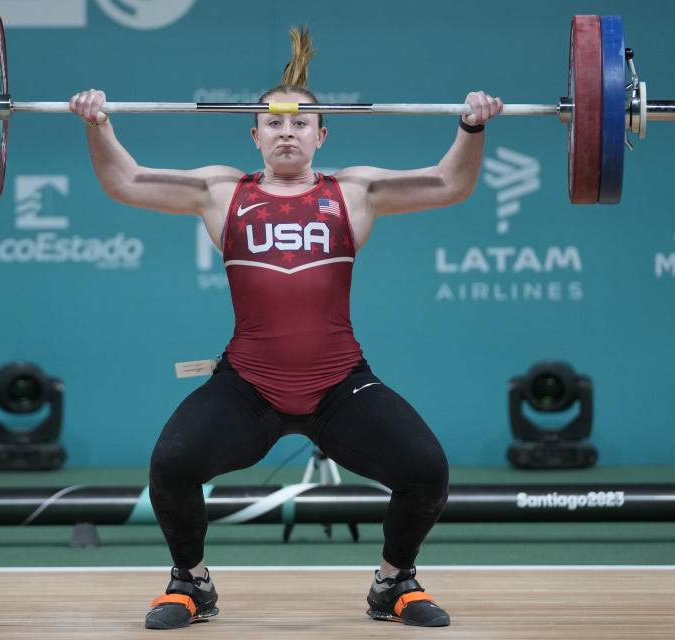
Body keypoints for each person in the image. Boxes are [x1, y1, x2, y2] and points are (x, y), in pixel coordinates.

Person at [70, 26, 502, 630]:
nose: (287, 131)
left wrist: (472, 126)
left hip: (337, 385)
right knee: (171, 463)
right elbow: (126, 181)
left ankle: (393, 582)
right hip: (250, 385)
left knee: (425, 468)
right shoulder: (223, 191)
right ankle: (190, 583)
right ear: (255, 134)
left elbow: (450, 182)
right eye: (274, 123)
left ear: (322, 135)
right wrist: (98, 124)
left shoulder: (355, 192)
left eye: (301, 123)